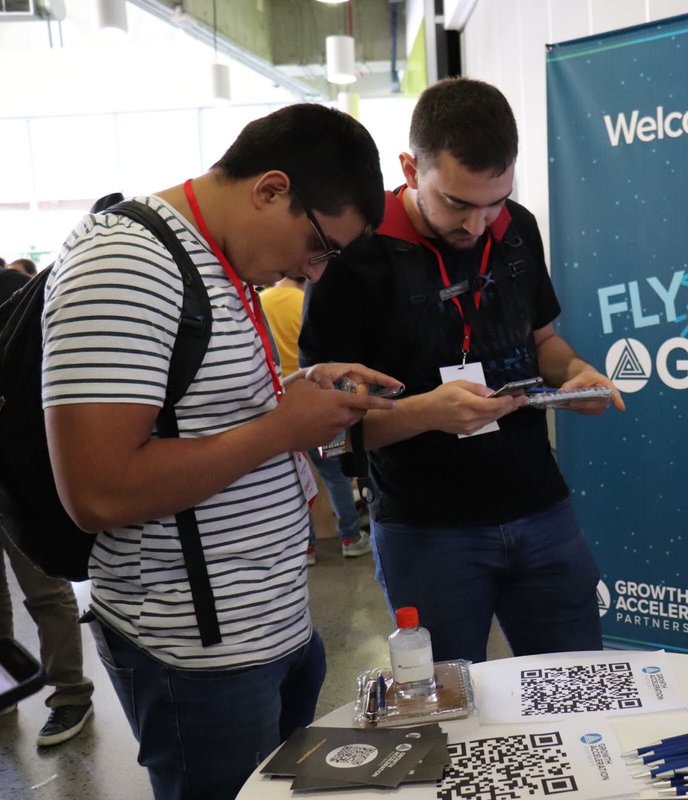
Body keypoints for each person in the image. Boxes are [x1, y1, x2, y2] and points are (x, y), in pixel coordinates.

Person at [41, 103, 400, 800]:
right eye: (319, 245)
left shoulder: (219, 260)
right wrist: (280, 429)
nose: (315, 272)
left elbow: (192, 415)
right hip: (195, 651)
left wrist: (299, 391)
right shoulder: (126, 262)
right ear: (271, 189)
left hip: (269, 625)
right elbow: (97, 490)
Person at [299, 77, 624, 664]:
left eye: (494, 201)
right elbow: (327, 427)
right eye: (457, 203)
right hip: (427, 531)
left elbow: (543, 341)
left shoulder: (517, 228)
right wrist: (427, 412)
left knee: (578, 689)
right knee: (446, 715)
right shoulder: (354, 257)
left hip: (541, 508)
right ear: (409, 167)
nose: (477, 226)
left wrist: (574, 372)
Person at [0, 268, 95, 747]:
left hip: (18, 473)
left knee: (44, 588)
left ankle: (70, 692)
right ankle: (8, 688)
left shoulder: (15, 293)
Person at [258, 275, 371, 564]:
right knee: (335, 473)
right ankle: (350, 537)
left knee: (295, 477)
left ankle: (307, 548)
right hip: (322, 397)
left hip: (280, 401)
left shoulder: (262, 301)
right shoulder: (307, 301)